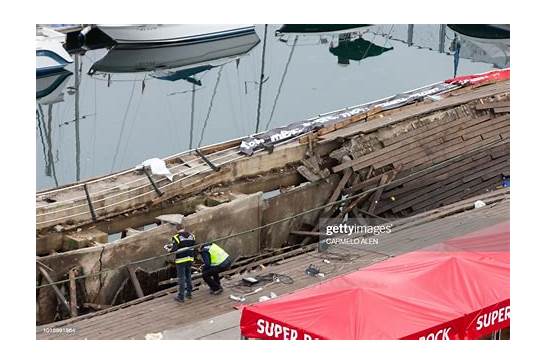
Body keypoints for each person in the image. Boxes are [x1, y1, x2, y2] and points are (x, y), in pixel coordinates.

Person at [165, 229, 196, 303]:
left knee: (181, 278)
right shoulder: (192, 236)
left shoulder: (176, 237)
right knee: (188, 276)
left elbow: (174, 249)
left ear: (177, 230)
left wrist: (168, 249)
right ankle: (189, 293)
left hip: (181, 260)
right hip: (190, 258)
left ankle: (181, 297)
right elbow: (190, 245)